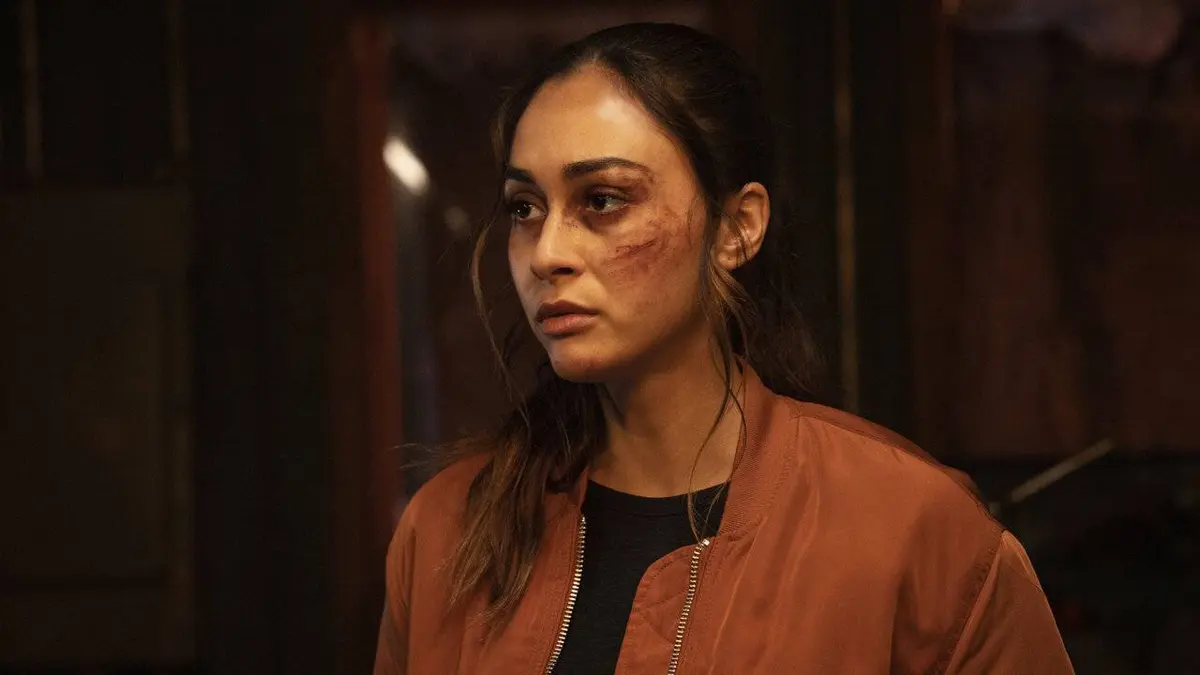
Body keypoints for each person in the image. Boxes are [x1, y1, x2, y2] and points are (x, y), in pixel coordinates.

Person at [374, 22, 1074, 675]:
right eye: (525, 208)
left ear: (737, 228)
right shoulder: (448, 530)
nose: (546, 252)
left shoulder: (909, 530)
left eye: (603, 200)